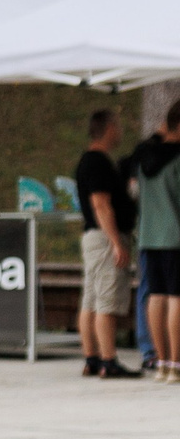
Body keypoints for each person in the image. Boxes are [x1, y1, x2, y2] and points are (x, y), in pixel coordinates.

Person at [74, 108, 138, 378]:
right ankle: (108, 360)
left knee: (90, 300)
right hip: (104, 238)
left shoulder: (88, 161)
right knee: (106, 301)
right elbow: (101, 204)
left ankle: (92, 357)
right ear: (109, 128)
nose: (120, 132)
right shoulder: (97, 163)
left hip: (93, 237)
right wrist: (116, 242)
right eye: (118, 126)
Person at [134, 100, 180, 383]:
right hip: (175, 237)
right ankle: (177, 362)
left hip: (148, 236)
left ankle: (161, 361)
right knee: (177, 298)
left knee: (156, 296)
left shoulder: (144, 158)